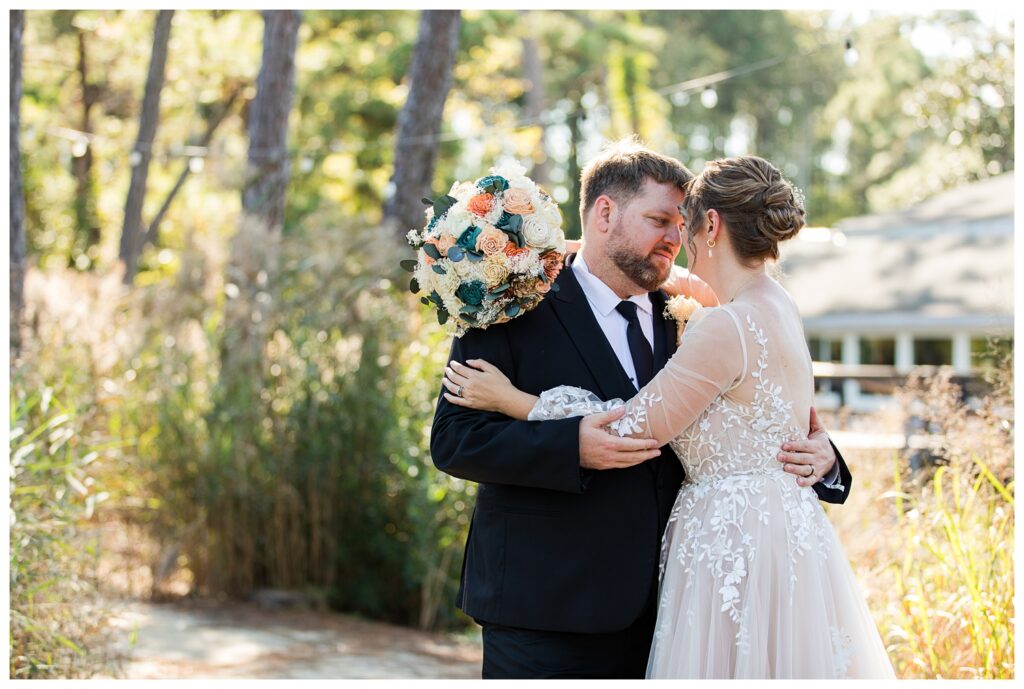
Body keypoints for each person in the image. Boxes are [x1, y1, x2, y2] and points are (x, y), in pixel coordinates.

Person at [443, 154, 893, 678]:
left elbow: (744, 409)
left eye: (682, 224)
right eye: (660, 221)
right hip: (546, 607)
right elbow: (454, 440)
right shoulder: (513, 299)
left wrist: (822, 454)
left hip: (682, 609)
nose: (675, 239)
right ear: (604, 213)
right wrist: (569, 447)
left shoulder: (697, 311)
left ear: (710, 225)